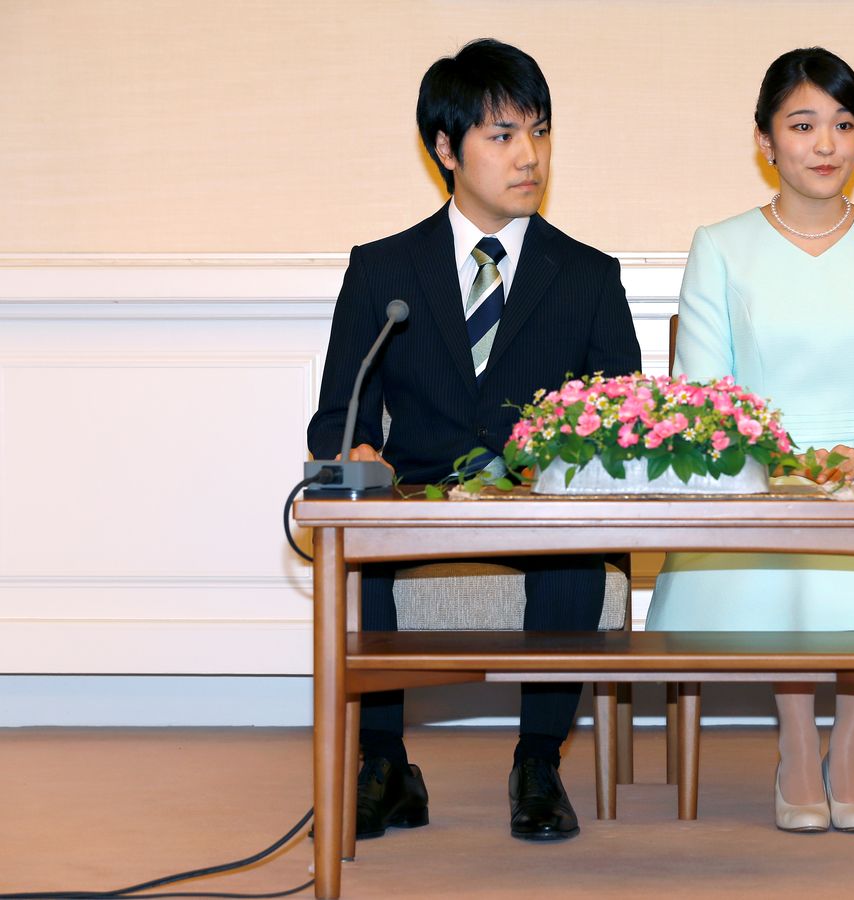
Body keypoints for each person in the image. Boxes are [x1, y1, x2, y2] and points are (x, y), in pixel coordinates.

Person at [307, 38, 641, 842]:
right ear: (446, 150)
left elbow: (627, 421)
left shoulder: (588, 275)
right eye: (503, 136)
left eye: (540, 130)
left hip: (539, 501)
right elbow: (335, 416)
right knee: (360, 548)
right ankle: (383, 764)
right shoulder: (382, 268)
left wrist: (561, 472)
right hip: (417, 500)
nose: (530, 155)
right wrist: (357, 454)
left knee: (571, 551)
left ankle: (538, 762)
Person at [645, 47, 854, 834]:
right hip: (759, 472)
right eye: (804, 124)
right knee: (793, 524)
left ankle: (850, 743)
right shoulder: (722, 245)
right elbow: (702, 392)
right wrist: (779, 460)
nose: (826, 145)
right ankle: (793, 738)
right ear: (765, 140)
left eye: (843, 125)